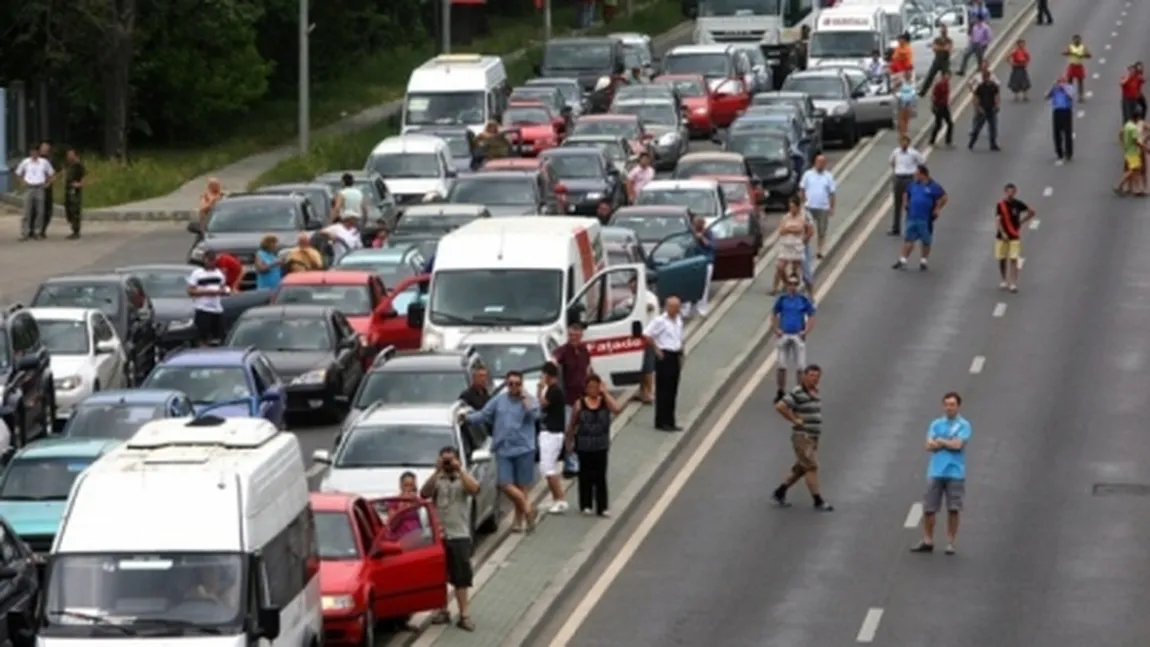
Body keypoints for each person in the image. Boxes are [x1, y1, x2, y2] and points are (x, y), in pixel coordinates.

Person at [464, 370, 540, 532]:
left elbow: (536, 415)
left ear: (522, 384)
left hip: (524, 449)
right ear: (506, 384)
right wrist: (467, 419)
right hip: (503, 449)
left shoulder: (528, 399)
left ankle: (518, 521)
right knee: (505, 484)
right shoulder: (499, 400)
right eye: (510, 384)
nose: (513, 387)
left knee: (521, 487)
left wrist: (525, 399)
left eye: (517, 384)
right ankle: (528, 508)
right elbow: (484, 414)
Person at [421, 446, 482, 632]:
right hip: (440, 535)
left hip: (460, 534)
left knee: (461, 578)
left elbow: (475, 489)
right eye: (444, 459)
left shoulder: (463, 477)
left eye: (450, 459)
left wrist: (459, 469)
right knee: (439, 576)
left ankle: (464, 615)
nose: (447, 463)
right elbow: (424, 493)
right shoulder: (437, 479)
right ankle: (442, 610)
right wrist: (436, 471)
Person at [911, 392, 972, 555]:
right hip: (936, 471)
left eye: (952, 404)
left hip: (955, 472)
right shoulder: (936, 424)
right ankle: (928, 540)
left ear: (958, 406)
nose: (949, 408)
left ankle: (950, 542)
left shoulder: (964, 425)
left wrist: (941, 442)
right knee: (929, 508)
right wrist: (947, 443)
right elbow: (929, 446)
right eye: (946, 404)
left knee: (953, 508)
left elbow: (958, 445)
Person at [772, 364, 833, 511]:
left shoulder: (815, 392)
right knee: (811, 466)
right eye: (811, 376)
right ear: (804, 376)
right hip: (803, 436)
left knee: (801, 468)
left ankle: (780, 492)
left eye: (817, 376)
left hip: (813, 437)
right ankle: (818, 500)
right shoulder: (797, 392)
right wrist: (794, 420)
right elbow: (780, 406)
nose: (815, 379)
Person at [564, 374, 622, 517]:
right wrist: (569, 442)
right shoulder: (580, 404)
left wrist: (606, 393)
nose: (593, 390)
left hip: (600, 445)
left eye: (596, 387)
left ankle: (602, 507)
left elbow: (617, 409)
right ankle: (586, 504)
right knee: (585, 476)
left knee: (600, 476)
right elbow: (572, 424)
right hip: (584, 445)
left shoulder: (604, 402)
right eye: (590, 387)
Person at [553, 322, 592, 476]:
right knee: (568, 431)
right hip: (568, 399)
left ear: (581, 335)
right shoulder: (563, 351)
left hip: (583, 397)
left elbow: (588, 369)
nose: (573, 337)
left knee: (583, 432)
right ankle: (570, 465)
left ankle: (582, 461)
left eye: (576, 335)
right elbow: (554, 360)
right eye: (571, 335)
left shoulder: (584, 351)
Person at [893, 164, 948, 271]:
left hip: (926, 218)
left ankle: (923, 261)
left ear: (923, 174)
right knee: (909, 239)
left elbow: (944, 197)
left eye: (917, 174)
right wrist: (905, 203)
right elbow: (906, 194)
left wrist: (937, 208)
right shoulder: (913, 185)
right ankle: (903, 260)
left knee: (926, 240)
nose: (915, 176)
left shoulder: (934, 186)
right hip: (912, 216)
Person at [770, 275, 816, 403]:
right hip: (784, 334)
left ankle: (799, 392)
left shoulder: (802, 300)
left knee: (801, 367)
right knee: (781, 365)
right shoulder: (782, 299)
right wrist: (776, 329)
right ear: (787, 285)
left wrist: (805, 331)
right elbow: (774, 313)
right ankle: (781, 391)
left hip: (797, 335)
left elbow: (811, 316)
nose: (793, 287)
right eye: (790, 284)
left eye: (795, 284)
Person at [643, 296, 685, 431]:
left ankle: (671, 420)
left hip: (675, 355)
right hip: (664, 355)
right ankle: (661, 421)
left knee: (673, 389)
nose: (677, 310)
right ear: (667, 307)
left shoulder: (678, 320)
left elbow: (679, 338)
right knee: (663, 390)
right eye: (674, 307)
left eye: (678, 307)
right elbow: (647, 334)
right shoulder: (659, 321)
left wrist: (682, 353)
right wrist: (656, 350)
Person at [537, 363, 569, 514]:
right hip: (548, 433)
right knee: (546, 468)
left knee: (549, 468)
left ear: (548, 375)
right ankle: (555, 498)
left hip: (553, 433)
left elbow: (543, 403)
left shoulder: (555, 391)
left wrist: (539, 390)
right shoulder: (551, 390)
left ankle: (561, 499)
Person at [994, 183, 1035, 293]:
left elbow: (1032, 211)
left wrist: (1022, 221)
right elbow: (998, 220)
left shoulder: (1018, 204)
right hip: (1002, 237)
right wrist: (1002, 233)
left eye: (1012, 192)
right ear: (1005, 192)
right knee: (1002, 259)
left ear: (1015, 192)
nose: (1010, 194)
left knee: (1013, 258)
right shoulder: (1000, 205)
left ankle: (1013, 283)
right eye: (1008, 192)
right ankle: (1004, 280)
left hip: (1014, 235)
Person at [187, 251, 230, 346]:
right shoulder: (197, 273)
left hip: (217, 309)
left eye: (213, 260)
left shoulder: (219, 274)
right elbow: (190, 291)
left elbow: (223, 288)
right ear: (204, 260)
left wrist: (225, 291)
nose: (211, 263)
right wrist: (209, 292)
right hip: (203, 309)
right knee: (202, 336)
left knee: (218, 337)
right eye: (209, 260)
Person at [799, 153, 836, 259]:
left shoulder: (829, 176)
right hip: (809, 207)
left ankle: (820, 250)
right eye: (819, 162)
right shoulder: (808, 174)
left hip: (823, 207)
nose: (821, 164)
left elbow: (832, 193)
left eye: (823, 163)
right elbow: (802, 189)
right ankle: (805, 250)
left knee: (822, 230)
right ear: (815, 163)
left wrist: (832, 207)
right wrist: (802, 203)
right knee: (806, 230)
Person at [773, 196, 812, 294]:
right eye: (790, 207)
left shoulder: (804, 216)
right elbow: (781, 231)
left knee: (795, 270)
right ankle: (786, 284)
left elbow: (807, 230)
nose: (791, 209)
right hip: (786, 245)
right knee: (780, 267)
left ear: (798, 207)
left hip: (797, 246)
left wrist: (804, 240)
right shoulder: (786, 217)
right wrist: (793, 230)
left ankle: (793, 289)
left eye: (793, 207)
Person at [15, 146, 54, 241]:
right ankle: (24, 233)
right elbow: (17, 173)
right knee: (26, 211)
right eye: (32, 152)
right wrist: (22, 182)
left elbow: (51, 173)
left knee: (40, 211)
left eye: (36, 152)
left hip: (40, 187)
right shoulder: (26, 162)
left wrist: (48, 183)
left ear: (38, 152)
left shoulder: (44, 162)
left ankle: (37, 232)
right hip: (29, 187)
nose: (34, 154)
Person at [889, 135, 926, 236]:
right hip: (898, 178)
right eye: (902, 142)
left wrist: (917, 177)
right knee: (897, 204)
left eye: (905, 142)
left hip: (909, 179)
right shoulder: (895, 152)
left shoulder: (914, 153)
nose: (903, 144)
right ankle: (896, 228)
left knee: (910, 204)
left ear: (908, 143)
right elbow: (892, 162)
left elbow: (921, 163)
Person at [687, 215, 715, 318]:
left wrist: (702, 238)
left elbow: (712, 247)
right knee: (691, 286)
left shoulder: (708, 233)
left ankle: (702, 309)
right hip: (693, 263)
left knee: (704, 287)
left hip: (706, 263)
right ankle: (692, 308)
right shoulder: (690, 234)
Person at [1115, 109, 1146, 196]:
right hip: (1133, 152)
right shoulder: (1133, 128)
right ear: (1137, 118)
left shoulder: (1127, 125)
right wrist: (1146, 148)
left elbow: (1120, 134)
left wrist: (1123, 143)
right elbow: (1137, 141)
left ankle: (1138, 189)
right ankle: (1119, 185)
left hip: (1127, 150)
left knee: (1136, 170)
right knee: (1133, 170)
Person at [969, 68, 1001, 151]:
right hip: (982, 109)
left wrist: (996, 106)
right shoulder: (980, 87)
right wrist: (978, 108)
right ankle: (972, 142)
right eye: (984, 77)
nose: (985, 79)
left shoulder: (994, 86)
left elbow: (996, 96)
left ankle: (993, 144)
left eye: (986, 77)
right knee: (977, 127)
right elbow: (976, 98)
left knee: (993, 127)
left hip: (991, 109)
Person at [1047, 75, 1076, 162]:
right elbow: (1047, 96)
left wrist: (1064, 89)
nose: (1060, 83)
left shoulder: (1069, 88)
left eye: (1062, 81)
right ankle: (1059, 152)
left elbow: (1071, 97)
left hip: (1066, 111)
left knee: (1067, 132)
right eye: (1059, 81)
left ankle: (1068, 152)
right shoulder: (1055, 89)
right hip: (1057, 111)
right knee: (1057, 133)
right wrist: (1052, 89)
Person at [919, 25, 953, 96]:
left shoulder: (949, 40)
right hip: (937, 60)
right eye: (942, 31)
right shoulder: (937, 39)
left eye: (945, 31)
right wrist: (943, 48)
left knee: (945, 78)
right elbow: (934, 49)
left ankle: (945, 93)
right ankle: (923, 92)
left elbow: (948, 49)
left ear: (946, 32)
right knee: (930, 76)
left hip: (945, 61)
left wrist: (939, 47)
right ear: (940, 32)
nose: (944, 32)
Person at [62, 149, 86, 239]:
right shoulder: (69, 165)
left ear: (75, 155)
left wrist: (80, 184)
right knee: (68, 209)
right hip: (68, 190)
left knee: (75, 210)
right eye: (68, 155)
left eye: (71, 154)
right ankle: (73, 228)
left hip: (75, 191)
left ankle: (76, 231)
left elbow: (85, 175)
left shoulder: (78, 165)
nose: (69, 156)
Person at [929, 71, 955, 146]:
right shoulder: (939, 84)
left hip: (945, 106)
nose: (949, 77)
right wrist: (934, 106)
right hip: (939, 106)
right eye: (947, 75)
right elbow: (933, 95)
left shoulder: (947, 84)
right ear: (943, 76)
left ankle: (948, 141)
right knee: (939, 125)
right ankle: (932, 140)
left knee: (950, 123)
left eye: (950, 76)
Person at [1062, 34, 1091, 99]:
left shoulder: (1083, 47)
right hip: (1072, 65)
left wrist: (1083, 55)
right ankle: (1069, 94)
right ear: (1073, 40)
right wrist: (1069, 53)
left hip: (1079, 65)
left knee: (1080, 81)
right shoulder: (1070, 47)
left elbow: (1089, 55)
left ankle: (1080, 96)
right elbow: (1064, 53)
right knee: (1070, 80)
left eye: (1078, 39)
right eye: (1075, 39)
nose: (1077, 41)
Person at [37, 141, 56, 237]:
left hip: (47, 188)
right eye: (43, 148)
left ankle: (43, 230)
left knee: (48, 210)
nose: (44, 150)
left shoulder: (51, 160)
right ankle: (34, 230)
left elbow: (55, 174)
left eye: (46, 148)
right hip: (37, 188)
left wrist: (49, 183)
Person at [894, 71, 917, 137]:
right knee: (901, 119)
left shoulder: (911, 82)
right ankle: (902, 133)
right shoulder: (901, 81)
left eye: (909, 74)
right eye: (907, 73)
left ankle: (904, 133)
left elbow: (913, 93)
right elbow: (894, 89)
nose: (909, 75)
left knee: (907, 119)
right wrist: (897, 95)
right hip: (901, 103)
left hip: (909, 103)